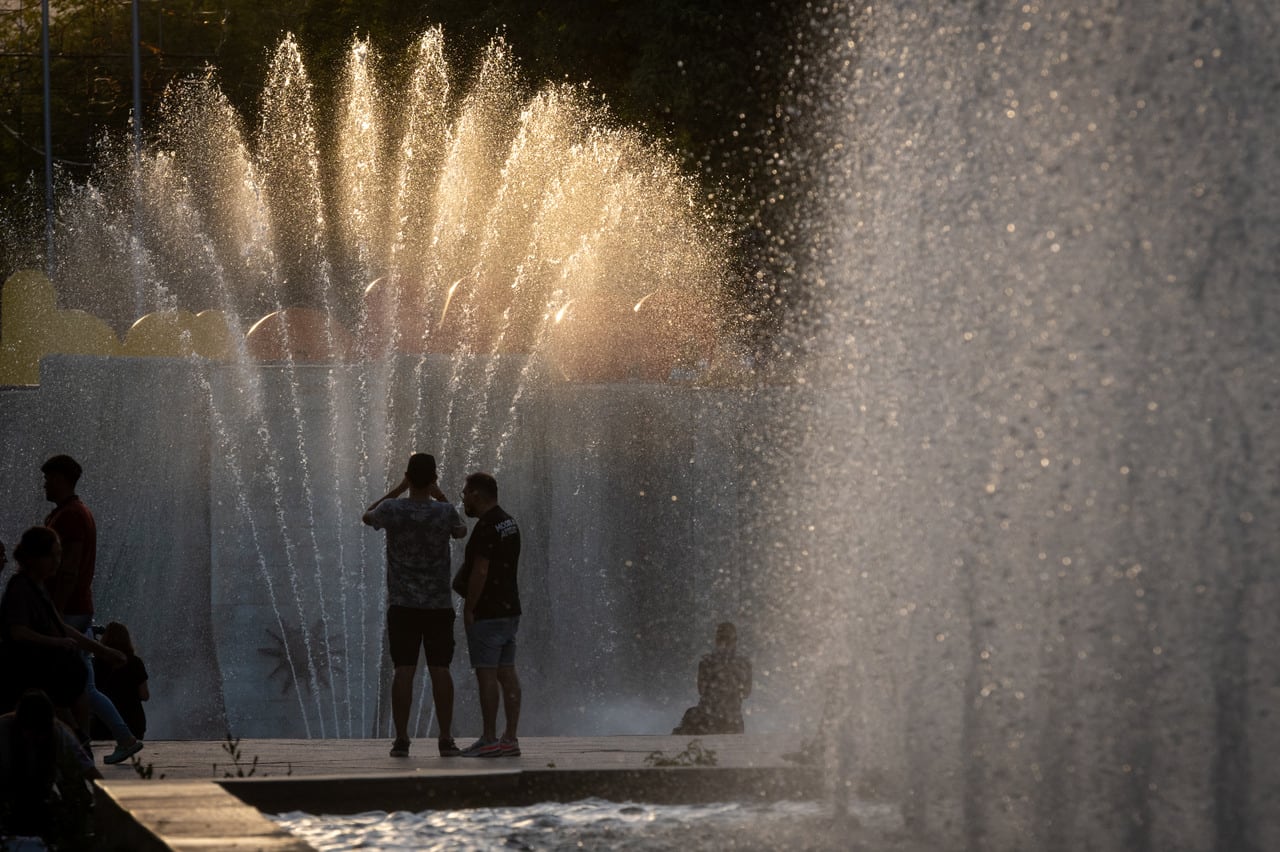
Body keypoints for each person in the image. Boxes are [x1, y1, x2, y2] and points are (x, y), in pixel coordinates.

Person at [363, 453, 467, 758]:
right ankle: (445, 738)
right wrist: (442, 495)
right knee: (440, 670)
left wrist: (396, 490)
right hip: (437, 605)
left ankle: (402, 739)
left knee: (403, 670)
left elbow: (367, 515)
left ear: (408, 476)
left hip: (403, 606)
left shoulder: (393, 509)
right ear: (433, 478)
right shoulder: (444, 511)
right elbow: (461, 530)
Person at [41, 454, 143, 765]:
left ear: (61, 479)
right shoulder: (71, 512)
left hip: (69, 608)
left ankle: (78, 743)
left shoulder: (71, 516)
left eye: (48, 478)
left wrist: (54, 610)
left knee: (63, 682)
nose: (44, 484)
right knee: (84, 683)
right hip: (75, 606)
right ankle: (114, 739)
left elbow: (69, 569)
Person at [0, 527, 124, 730]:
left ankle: (78, 738)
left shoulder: (39, 588)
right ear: (35, 557)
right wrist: (56, 642)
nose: (59, 560)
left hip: (40, 683)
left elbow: (61, 627)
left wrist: (104, 651)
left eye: (60, 554)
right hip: (24, 682)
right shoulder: (20, 588)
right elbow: (18, 632)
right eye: (53, 555)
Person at [453, 471, 522, 758]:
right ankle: (510, 738)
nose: (463, 499)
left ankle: (490, 738)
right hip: (509, 609)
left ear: (477, 495)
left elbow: (481, 571)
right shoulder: (509, 522)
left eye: (465, 494)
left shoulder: (486, 527)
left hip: (488, 612)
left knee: (487, 675)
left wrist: (469, 607)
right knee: (507, 674)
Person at [0, 689, 100, 850]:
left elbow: (93, 776)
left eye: (40, 733)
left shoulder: (59, 734)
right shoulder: (3, 731)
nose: (34, 739)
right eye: (30, 732)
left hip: (43, 803)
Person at [672, 622, 752, 735]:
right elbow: (746, 693)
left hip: (709, 719)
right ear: (735, 641)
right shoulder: (743, 663)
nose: (724, 643)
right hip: (731, 721)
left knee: (689, 718)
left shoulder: (707, 662)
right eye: (722, 639)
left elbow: (701, 690)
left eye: (724, 639)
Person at [90, 622, 149, 742]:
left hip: (102, 726)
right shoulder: (135, 662)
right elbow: (144, 695)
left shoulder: (95, 663)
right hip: (134, 725)